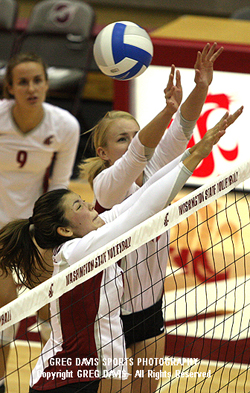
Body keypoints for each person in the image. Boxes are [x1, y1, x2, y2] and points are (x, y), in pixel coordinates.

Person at [0, 112, 233, 392]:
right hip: (67, 379)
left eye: (83, 201)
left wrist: (197, 151)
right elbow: (143, 210)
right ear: (64, 230)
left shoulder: (94, 234)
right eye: (79, 207)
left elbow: (145, 197)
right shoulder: (76, 251)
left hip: (98, 369)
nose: (90, 206)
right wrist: (194, 157)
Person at [79, 42, 243, 393]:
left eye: (134, 134)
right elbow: (138, 153)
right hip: (111, 315)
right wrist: (166, 110)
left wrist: (201, 87)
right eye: (122, 139)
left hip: (151, 307)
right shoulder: (105, 185)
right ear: (103, 152)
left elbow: (182, 128)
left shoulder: (154, 170)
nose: (134, 142)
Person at [0, 52, 80, 393]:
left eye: (37, 81)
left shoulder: (64, 126)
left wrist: (47, 233)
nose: (31, 88)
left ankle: (55, 381)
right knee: (4, 313)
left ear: (47, 84)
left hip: (34, 225)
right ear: (10, 88)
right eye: (23, 82)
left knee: (51, 308)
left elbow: (59, 186)